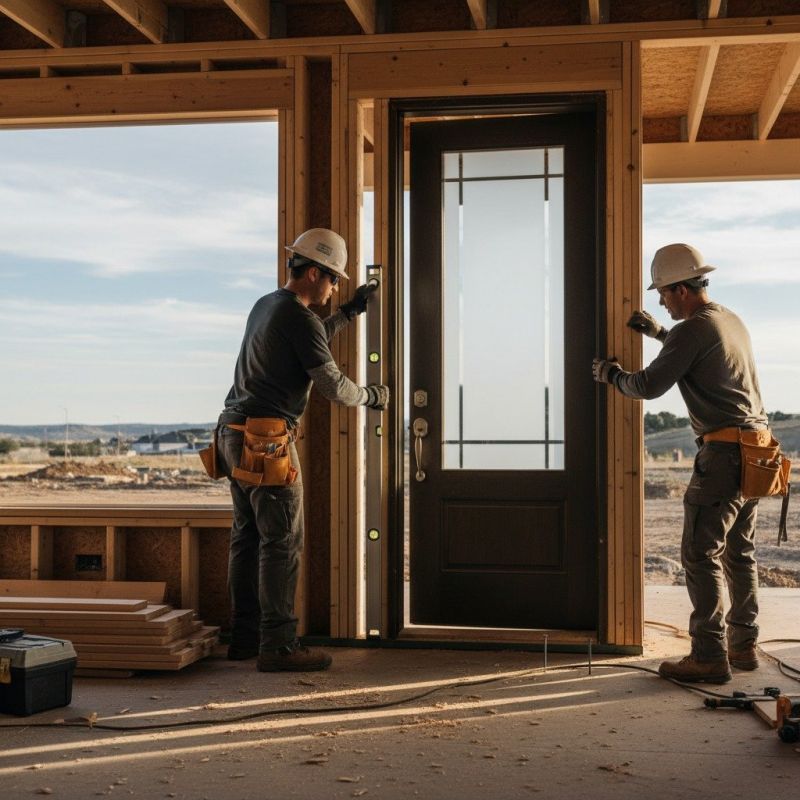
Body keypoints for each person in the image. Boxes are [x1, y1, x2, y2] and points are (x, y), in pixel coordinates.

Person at [592, 243, 768, 684]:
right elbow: (700, 351)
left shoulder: (692, 330)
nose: (660, 302)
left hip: (724, 455)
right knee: (738, 551)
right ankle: (742, 645)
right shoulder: (727, 319)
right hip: (756, 452)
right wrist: (657, 333)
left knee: (698, 552)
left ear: (681, 290)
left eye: (663, 295)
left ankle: (708, 655)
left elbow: (648, 385)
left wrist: (611, 375)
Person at [216, 228, 389, 672]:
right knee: (282, 542)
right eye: (333, 280)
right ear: (314, 272)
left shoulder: (268, 305)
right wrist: (371, 396)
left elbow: (310, 337)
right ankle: (279, 646)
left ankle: (244, 638)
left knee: (248, 537)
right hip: (267, 440)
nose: (334, 288)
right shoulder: (299, 318)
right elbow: (331, 384)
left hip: (232, 434)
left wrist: (350, 312)